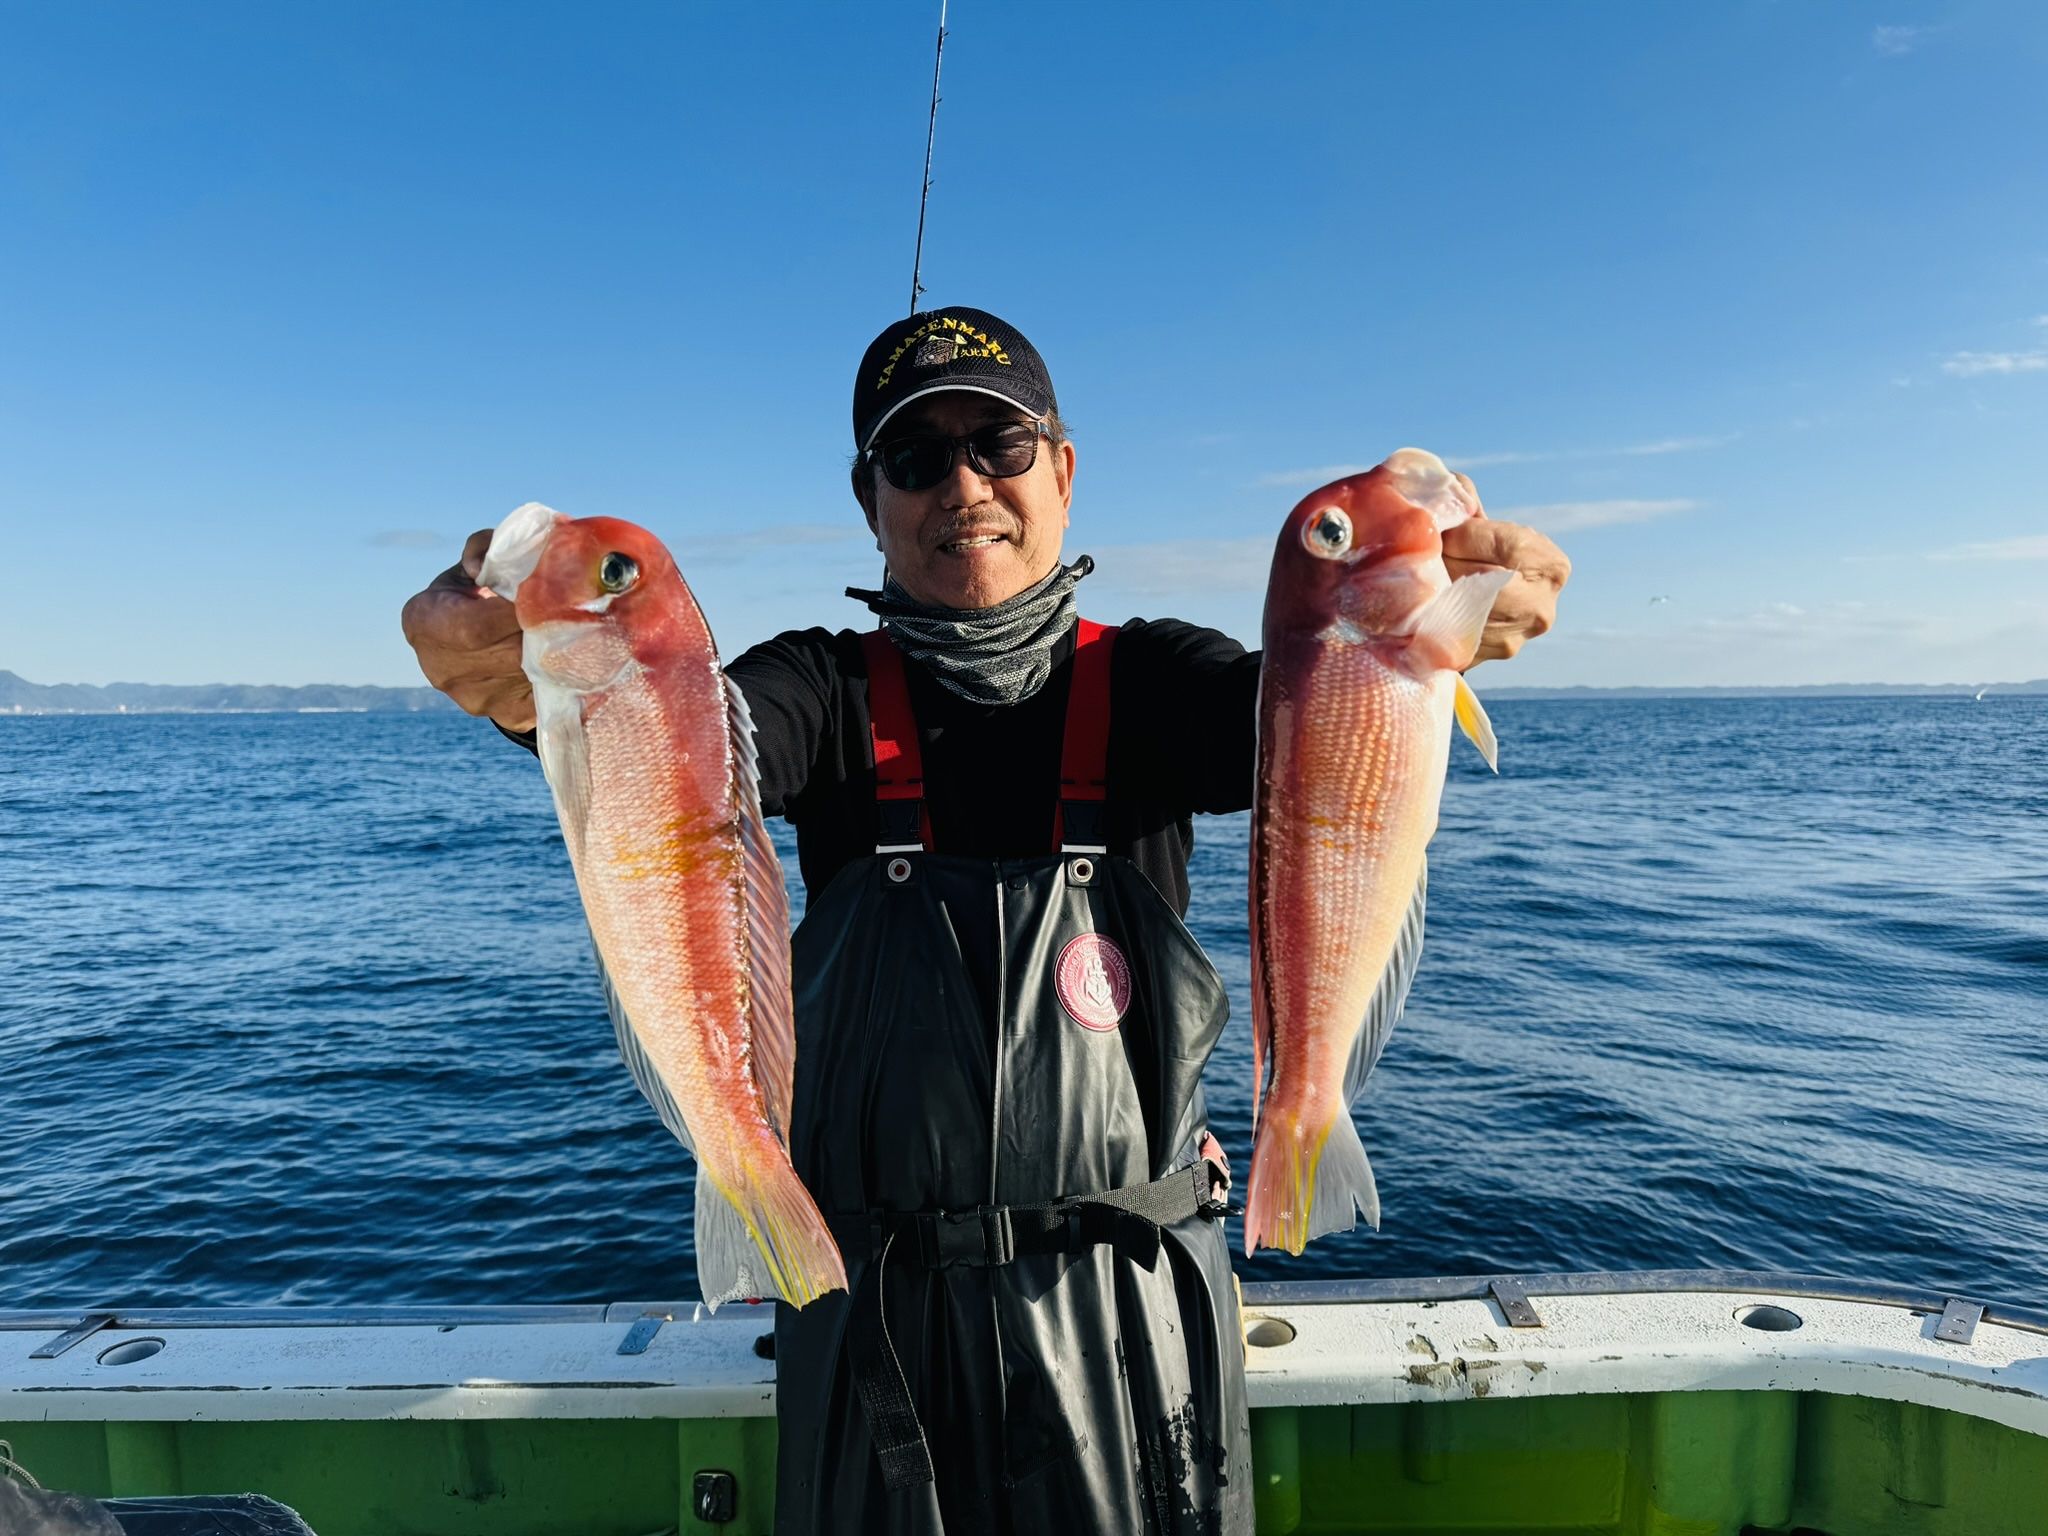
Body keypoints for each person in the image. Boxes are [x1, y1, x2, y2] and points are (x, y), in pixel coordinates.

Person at [401, 307, 1569, 1535]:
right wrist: (535, 690)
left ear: (1060, 471)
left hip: (1135, 1316)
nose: (962, 486)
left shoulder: (1159, 680)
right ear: (869, 500)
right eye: (915, 458)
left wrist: (1428, 636)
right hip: (873, 1328)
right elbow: (684, 751)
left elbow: (1310, 720)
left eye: (998, 446)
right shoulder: (820, 689)